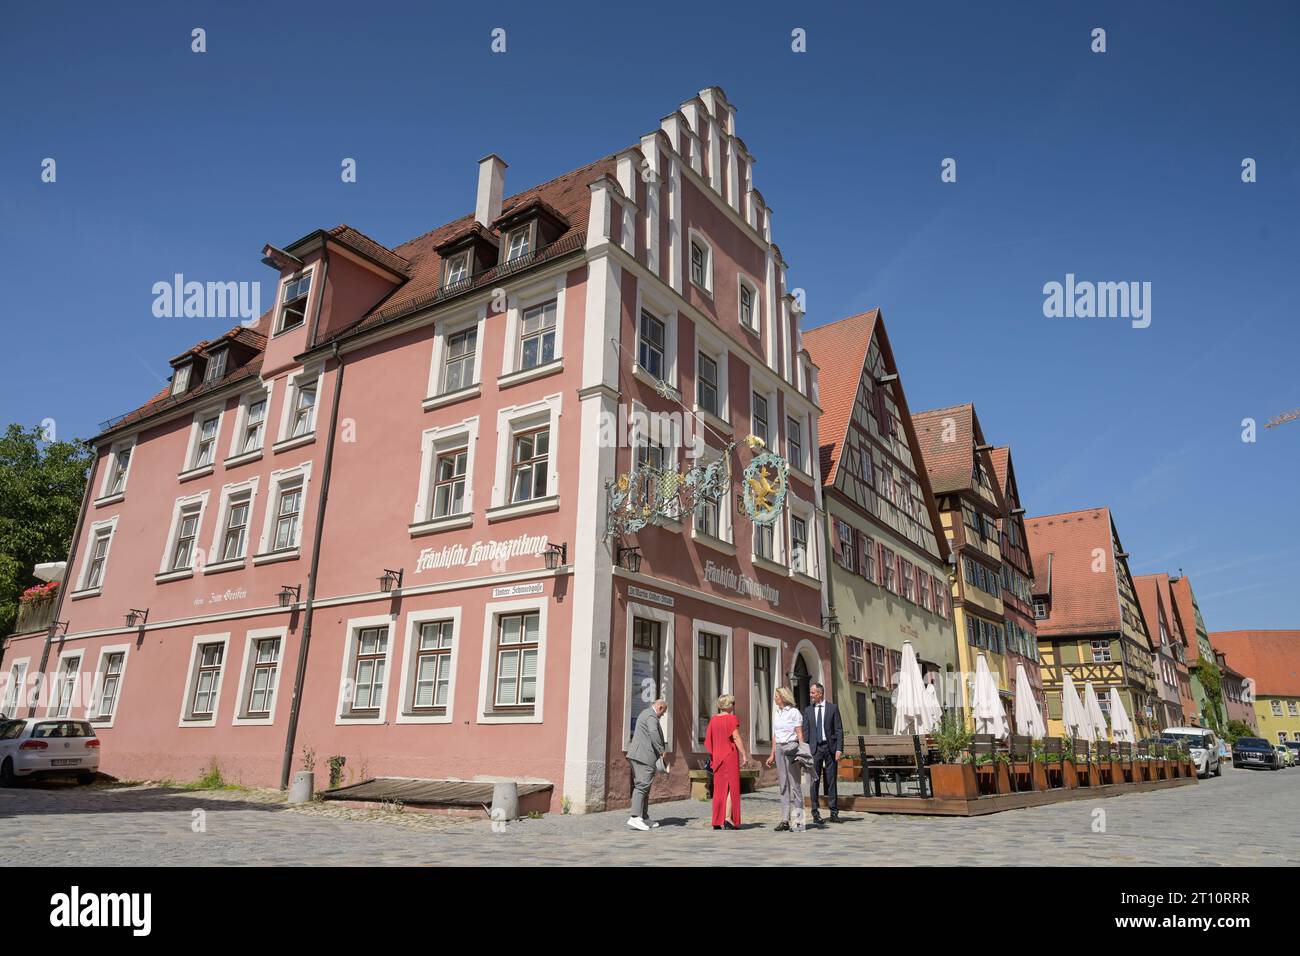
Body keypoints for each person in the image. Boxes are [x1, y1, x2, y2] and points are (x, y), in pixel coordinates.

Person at [704, 693, 749, 830]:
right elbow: (736, 737)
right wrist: (744, 754)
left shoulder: (713, 720)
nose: (733, 706)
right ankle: (728, 818)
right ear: (728, 705)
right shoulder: (731, 719)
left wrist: (714, 755)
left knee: (719, 789)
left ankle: (717, 820)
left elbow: (708, 741)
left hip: (717, 758)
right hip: (729, 756)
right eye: (732, 703)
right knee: (732, 787)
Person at [803, 682, 843, 825]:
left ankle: (834, 812)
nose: (810, 695)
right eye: (810, 692)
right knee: (814, 781)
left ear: (820, 693)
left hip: (830, 748)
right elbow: (806, 733)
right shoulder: (808, 711)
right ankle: (815, 812)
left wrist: (839, 749)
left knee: (831, 780)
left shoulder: (833, 708)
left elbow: (838, 730)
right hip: (815, 750)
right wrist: (805, 752)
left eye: (813, 693)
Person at [765, 686, 804, 831]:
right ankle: (785, 820)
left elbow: (800, 733)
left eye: (776, 696)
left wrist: (802, 752)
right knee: (783, 785)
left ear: (783, 697)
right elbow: (776, 735)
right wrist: (772, 754)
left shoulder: (794, 712)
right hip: (780, 748)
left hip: (792, 748)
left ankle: (799, 821)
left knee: (795, 785)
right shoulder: (778, 713)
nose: (774, 698)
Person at [627, 698, 669, 831]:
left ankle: (644, 818)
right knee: (641, 786)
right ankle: (634, 817)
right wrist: (661, 751)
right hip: (643, 757)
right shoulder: (651, 716)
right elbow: (653, 732)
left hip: (642, 756)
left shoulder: (646, 713)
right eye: (663, 712)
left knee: (645, 788)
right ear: (660, 707)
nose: (663, 715)